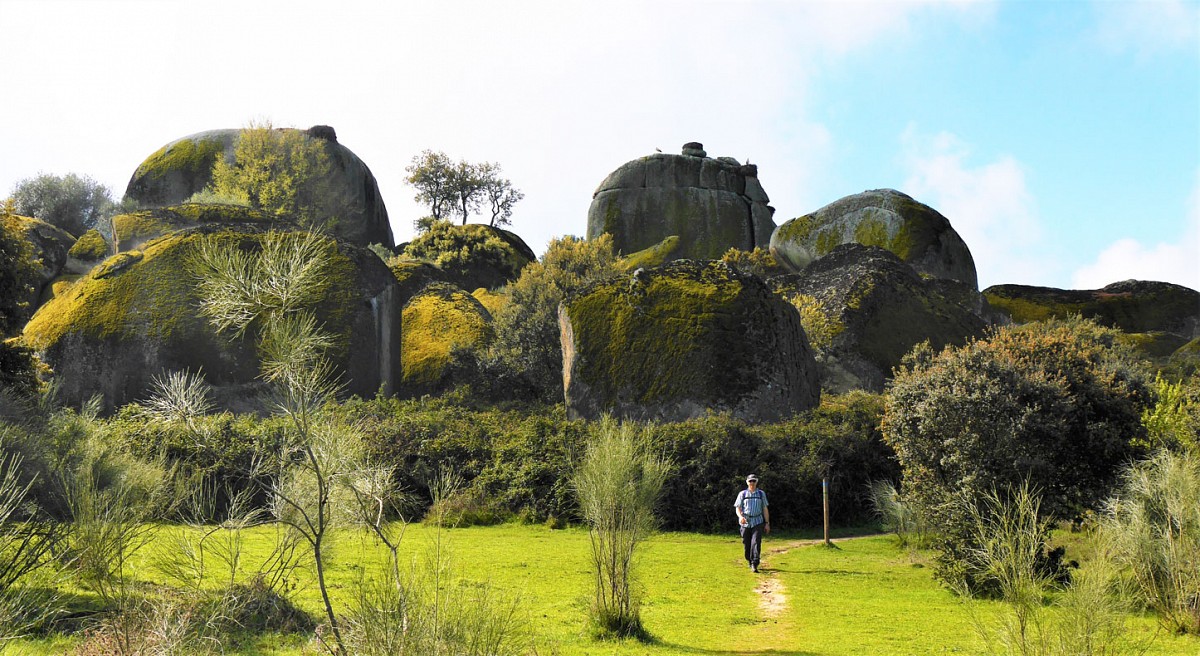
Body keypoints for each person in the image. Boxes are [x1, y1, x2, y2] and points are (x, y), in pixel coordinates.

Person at [734, 474, 770, 572]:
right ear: (747, 482)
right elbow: (737, 508)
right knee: (746, 543)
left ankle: (755, 563)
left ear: (756, 482)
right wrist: (741, 517)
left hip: (757, 521)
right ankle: (749, 561)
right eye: (750, 481)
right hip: (745, 522)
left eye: (754, 481)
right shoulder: (742, 494)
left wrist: (767, 523)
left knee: (756, 542)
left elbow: (765, 509)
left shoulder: (761, 494)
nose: (752, 483)